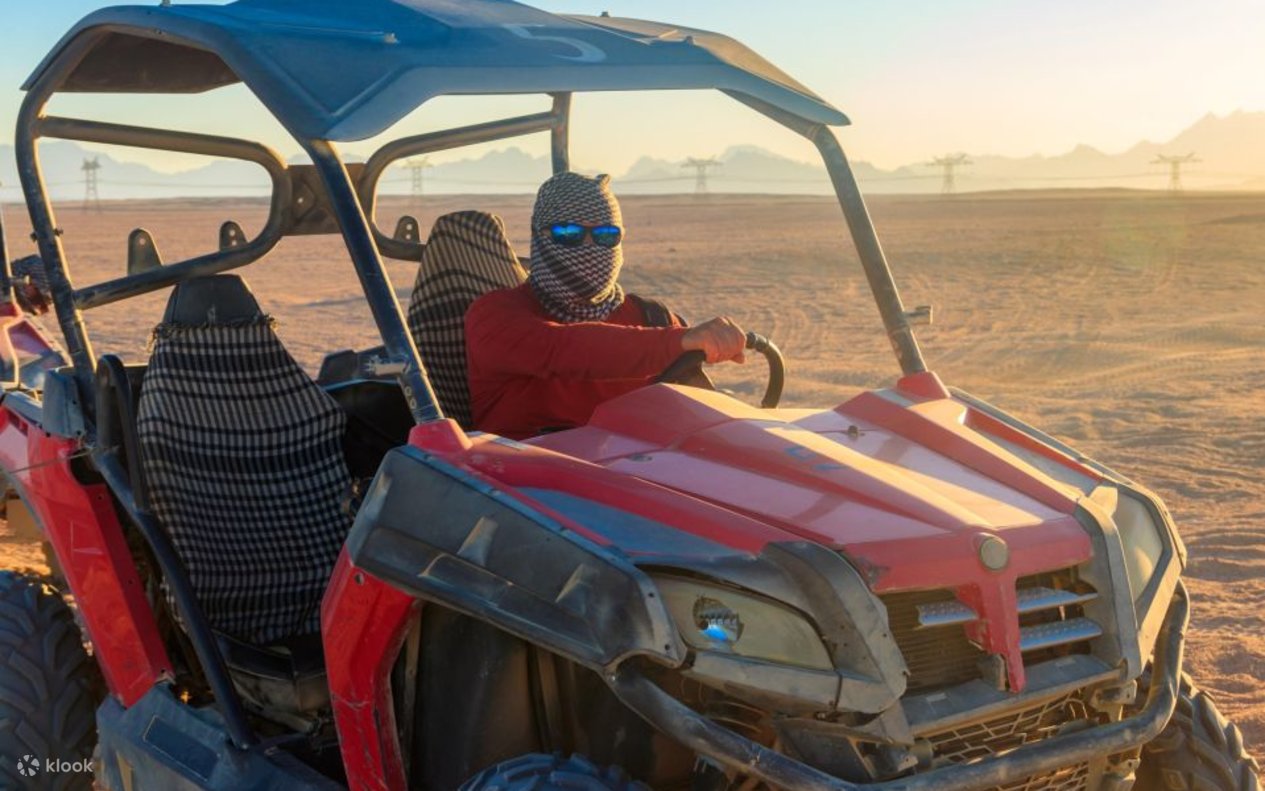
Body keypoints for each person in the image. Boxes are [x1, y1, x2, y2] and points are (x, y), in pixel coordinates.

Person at [465, 171, 746, 439]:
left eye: (606, 235)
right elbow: (566, 350)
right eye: (569, 233)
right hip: (516, 469)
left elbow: (701, 410)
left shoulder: (652, 318)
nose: (590, 247)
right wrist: (679, 341)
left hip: (632, 467)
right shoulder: (494, 315)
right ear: (539, 236)